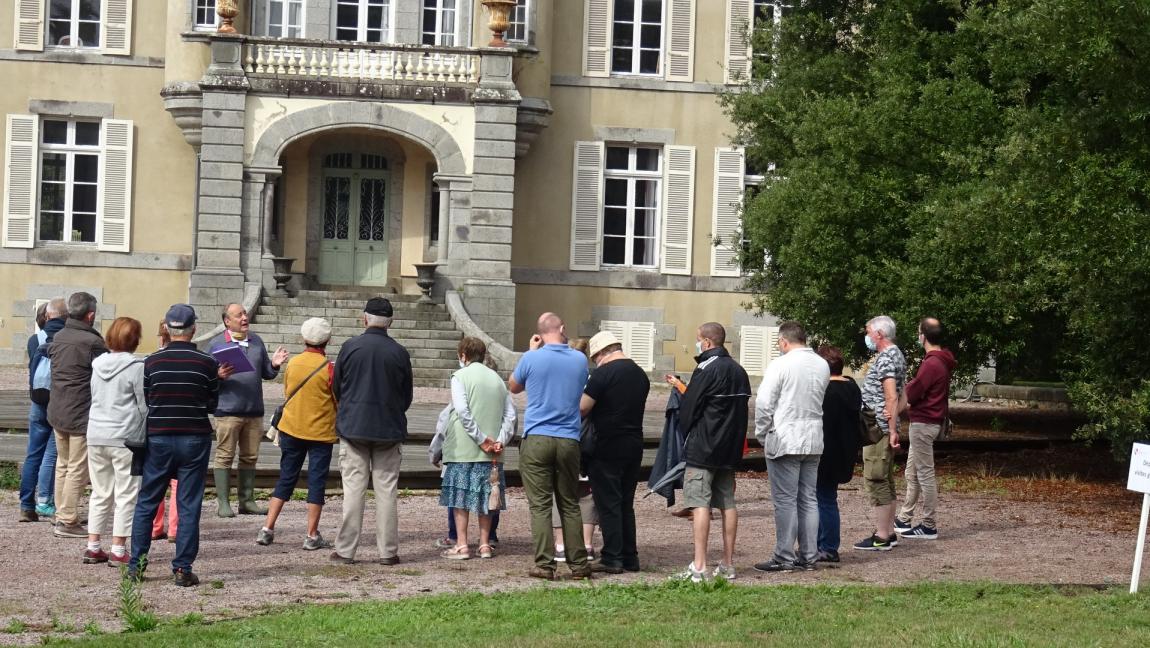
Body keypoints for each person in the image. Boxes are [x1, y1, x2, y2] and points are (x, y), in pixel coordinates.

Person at [129, 304, 225, 586]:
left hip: (159, 436)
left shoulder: (152, 361)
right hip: (194, 436)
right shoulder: (207, 362)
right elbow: (212, 403)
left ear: (167, 330)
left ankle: (136, 565)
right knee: (188, 503)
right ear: (193, 329)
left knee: (147, 501)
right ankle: (183, 568)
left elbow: (149, 398)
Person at [665, 322, 751, 582]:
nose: (697, 343)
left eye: (698, 339)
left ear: (707, 342)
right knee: (727, 503)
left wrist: (687, 432)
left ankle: (700, 566)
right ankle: (728, 563)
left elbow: (689, 407)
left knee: (699, 503)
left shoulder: (705, 368)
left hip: (703, 447)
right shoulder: (739, 370)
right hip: (730, 447)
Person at [508, 312, 592, 581]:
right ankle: (579, 565)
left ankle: (545, 565)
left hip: (537, 436)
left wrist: (531, 351)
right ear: (562, 328)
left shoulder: (531, 357)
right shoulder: (579, 359)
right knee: (569, 503)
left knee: (540, 505)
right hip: (568, 438)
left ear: (540, 333)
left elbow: (513, 386)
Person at [330, 298, 413, 565]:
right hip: (388, 428)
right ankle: (388, 551)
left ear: (364, 318)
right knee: (386, 491)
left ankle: (346, 550)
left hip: (354, 426)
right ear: (391, 322)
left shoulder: (350, 347)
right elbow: (406, 396)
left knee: (353, 489)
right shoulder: (400, 352)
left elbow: (337, 387)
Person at [752, 321, 830, 572]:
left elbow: (764, 403)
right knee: (808, 499)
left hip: (786, 436)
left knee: (785, 500)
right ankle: (809, 555)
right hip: (813, 436)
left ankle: (784, 556)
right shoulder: (822, 364)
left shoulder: (781, 364)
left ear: (783, 341)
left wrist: (762, 432)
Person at [256, 318, 339, 550]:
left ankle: (267, 528)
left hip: (292, 428)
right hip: (320, 432)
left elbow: (288, 391)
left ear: (304, 339)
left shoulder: (293, 363)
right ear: (328, 340)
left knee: (286, 477)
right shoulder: (329, 367)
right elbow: (337, 399)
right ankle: (311, 535)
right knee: (316, 481)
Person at [437, 337, 516, 560]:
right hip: (493, 453)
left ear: (463, 355)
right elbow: (510, 415)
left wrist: (481, 438)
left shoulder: (459, 376)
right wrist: (500, 440)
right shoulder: (498, 380)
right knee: (487, 497)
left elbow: (462, 411)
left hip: (463, 447)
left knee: (459, 498)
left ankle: (462, 545)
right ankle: (484, 544)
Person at [209, 303, 289, 518]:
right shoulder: (216, 344)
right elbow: (205, 378)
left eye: (245, 314)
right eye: (239, 315)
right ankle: (223, 503)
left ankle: (247, 501)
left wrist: (274, 365)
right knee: (224, 456)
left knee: (250, 457)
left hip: (253, 410)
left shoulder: (256, 341)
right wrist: (217, 376)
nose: (244, 318)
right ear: (227, 321)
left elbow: (267, 373)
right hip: (227, 410)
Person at [581, 330, 650, 575]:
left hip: (606, 444)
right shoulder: (640, 374)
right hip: (634, 443)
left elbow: (583, 408)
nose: (596, 362)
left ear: (601, 353)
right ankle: (630, 556)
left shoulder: (603, 374)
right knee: (625, 502)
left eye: (595, 358)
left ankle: (612, 557)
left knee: (608, 502)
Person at [83, 318, 146, 565]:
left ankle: (93, 545)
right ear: (135, 339)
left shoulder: (97, 364)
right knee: (126, 493)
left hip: (96, 432)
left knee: (100, 492)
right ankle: (118, 549)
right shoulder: (137, 366)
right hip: (124, 436)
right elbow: (143, 404)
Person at [47, 292, 108, 538]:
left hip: (57, 408)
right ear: (90, 315)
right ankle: (67, 520)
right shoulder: (92, 342)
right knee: (77, 468)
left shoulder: (59, 335)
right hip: (80, 411)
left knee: (63, 464)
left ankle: (61, 512)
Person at [894, 317, 956, 540]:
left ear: (923, 336)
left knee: (925, 474)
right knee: (912, 472)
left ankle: (929, 525)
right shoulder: (941, 360)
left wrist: (894, 403)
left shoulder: (932, 363)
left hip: (924, 424)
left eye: (918, 332)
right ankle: (904, 518)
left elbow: (914, 391)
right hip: (929, 422)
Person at [854, 315, 907, 552]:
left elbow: (892, 395)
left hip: (877, 428)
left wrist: (892, 428)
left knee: (876, 479)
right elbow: (904, 394)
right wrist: (895, 418)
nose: (866, 336)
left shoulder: (886, 357)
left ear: (879, 334)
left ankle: (882, 536)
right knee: (886, 479)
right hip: (883, 425)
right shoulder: (897, 354)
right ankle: (889, 532)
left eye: (868, 332)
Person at [813, 346, 862, 563]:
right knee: (825, 498)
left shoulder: (828, 392)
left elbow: (823, 424)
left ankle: (827, 546)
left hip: (827, 452)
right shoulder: (852, 387)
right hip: (845, 451)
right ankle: (821, 544)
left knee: (823, 499)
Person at [19, 298, 64, 523]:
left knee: (33, 454)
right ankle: (45, 500)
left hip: (38, 401)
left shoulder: (34, 339)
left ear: (47, 316)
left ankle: (26, 505)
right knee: (52, 454)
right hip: (59, 403)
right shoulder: (67, 338)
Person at [553, 337, 597, 564]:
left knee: (559, 492)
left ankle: (561, 545)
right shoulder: (592, 380)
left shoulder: (559, 378)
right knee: (588, 494)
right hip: (589, 441)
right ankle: (587, 544)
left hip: (563, 438)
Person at [150, 321, 178, 543]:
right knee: (178, 483)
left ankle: (155, 526)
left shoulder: (152, 361)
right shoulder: (193, 360)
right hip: (184, 425)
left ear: (161, 337)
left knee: (156, 479)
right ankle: (175, 528)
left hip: (158, 425)